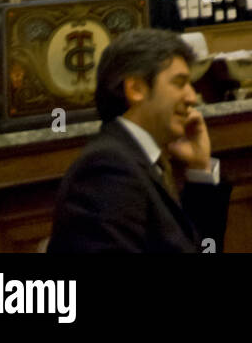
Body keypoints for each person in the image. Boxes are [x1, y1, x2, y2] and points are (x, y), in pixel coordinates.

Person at [48, 29, 231, 253]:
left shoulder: (135, 160)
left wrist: (200, 168)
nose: (192, 97)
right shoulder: (107, 170)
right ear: (136, 89)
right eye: (179, 83)